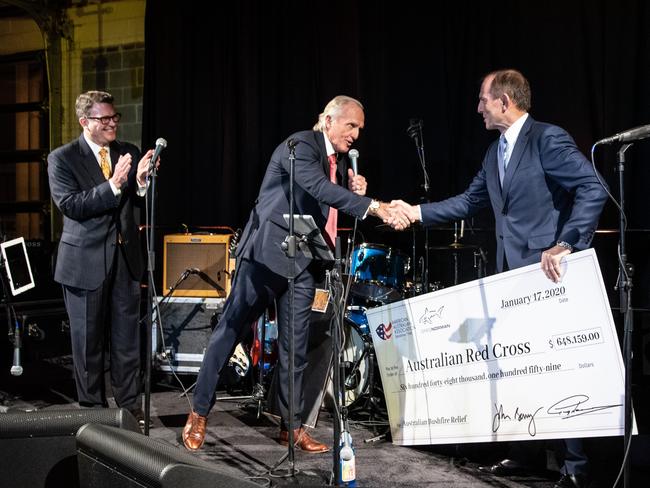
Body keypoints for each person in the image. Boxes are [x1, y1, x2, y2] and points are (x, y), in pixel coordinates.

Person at [389, 69, 608, 488]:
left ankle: (575, 467)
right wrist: (415, 212)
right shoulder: (495, 153)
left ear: (504, 101)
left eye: (483, 99)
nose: (478, 108)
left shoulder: (547, 138)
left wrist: (566, 242)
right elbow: (471, 201)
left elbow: (592, 187)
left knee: (557, 369)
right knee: (519, 368)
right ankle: (525, 453)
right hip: (510, 277)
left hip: (550, 277)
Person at [182, 95, 405, 452]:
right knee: (231, 329)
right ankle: (199, 413)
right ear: (328, 120)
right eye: (351, 125)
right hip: (267, 256)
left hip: (304, 261)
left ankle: (291, 427)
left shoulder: (338, 160)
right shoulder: (300, 145)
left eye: (360, 129)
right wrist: (374, 206)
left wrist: (351, 193)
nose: (356, 135)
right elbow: (316, 188)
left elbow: (320, 199)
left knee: (295, 347)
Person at [48, 91, 157, 428]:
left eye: (114, 117)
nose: (112, 123)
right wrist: (113, 184)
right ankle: (93, 413)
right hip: (84, 262)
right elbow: (72, 205)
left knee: (127, 342)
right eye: (104, 119)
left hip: (125, 259)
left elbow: (132, 206)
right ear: (85, 122)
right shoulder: (62, 158)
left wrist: (139, 183)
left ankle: (129, 411)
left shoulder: (128, 151)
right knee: (87, 345)